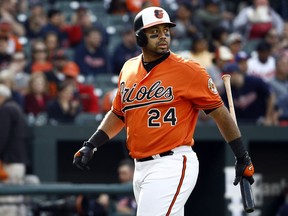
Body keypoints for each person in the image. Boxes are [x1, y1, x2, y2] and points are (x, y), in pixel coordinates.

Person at [73, 6, 255, 216]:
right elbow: (118, 113)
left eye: (166, 31)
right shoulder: (129, 69)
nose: (163, 37)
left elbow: (219, 112)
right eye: (155, 32)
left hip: (172, 163)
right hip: (140, 167)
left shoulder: (188, 70)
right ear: (140, 38)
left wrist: (242, 157)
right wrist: (91, 144)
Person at [0, 84, 30, 216]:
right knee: (18, 201)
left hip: (10, 163)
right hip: (18, 162)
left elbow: (2, 137)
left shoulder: (6, 109)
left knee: (8, 201)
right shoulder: (16, 108)